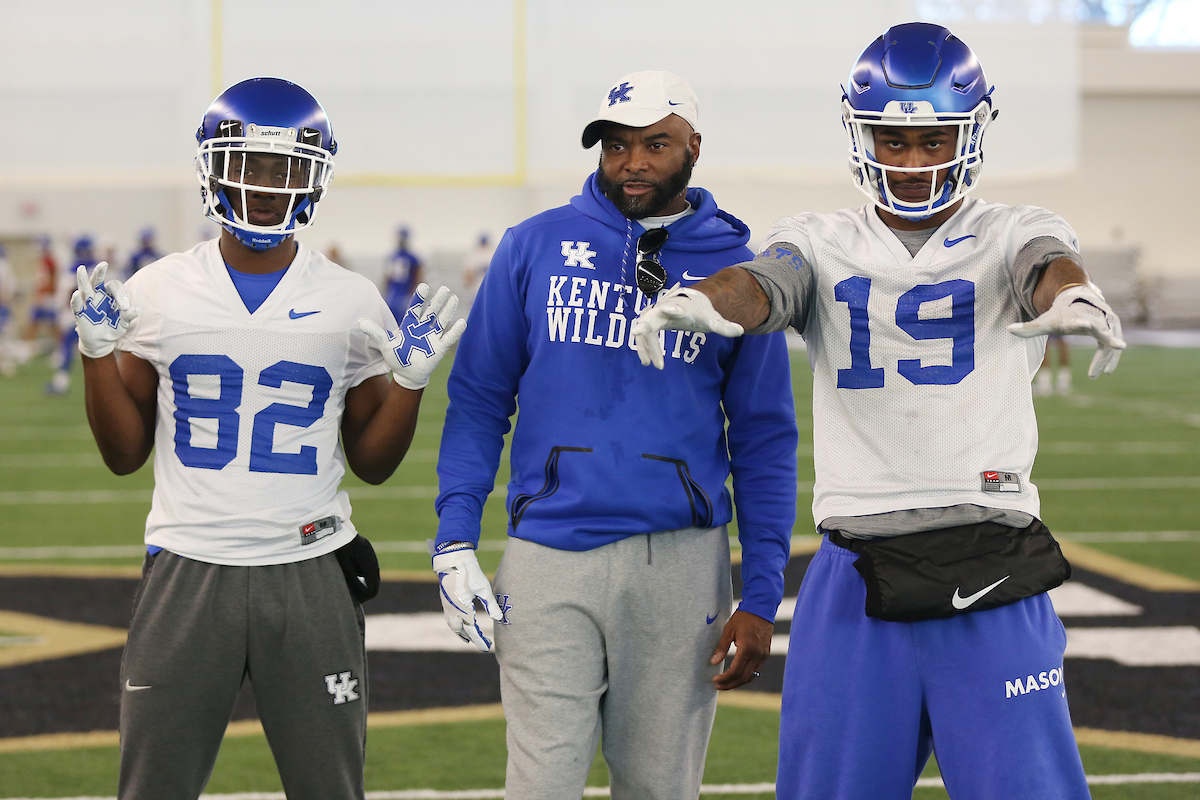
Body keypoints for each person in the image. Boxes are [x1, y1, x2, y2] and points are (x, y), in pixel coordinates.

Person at [632, 24, 1125, 800]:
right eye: (893, 141)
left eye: (934, 141)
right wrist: (702, 299)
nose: (914, 162)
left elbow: (1046, 268)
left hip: (992, 564)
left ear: (971, 134)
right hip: (855, 568)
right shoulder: (822, 240)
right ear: (862, 137)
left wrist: (1076, 296)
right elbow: (767, 282)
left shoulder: (1012, 229)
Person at [71, 76, 464, 800]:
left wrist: (408, 384)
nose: (263, 186)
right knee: (152, 787)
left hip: (309, 568)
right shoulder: (158, 290)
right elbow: (123, 456)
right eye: (249, 164)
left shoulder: (349, 299)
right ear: (213, 168)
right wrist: (95, 357)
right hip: (188, 565)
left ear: (313, 179)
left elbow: (373, 465)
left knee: (329, 787)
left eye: (284, 168)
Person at [432, 70, 798, 800]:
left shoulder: (741, 270)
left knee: (660, 788)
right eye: (617, 145)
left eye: (656, 144)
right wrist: (453, 539)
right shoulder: (532, 246)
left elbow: (764, 439)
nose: (633, 162)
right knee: (540, 785)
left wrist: (760, 594)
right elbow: (477, 399)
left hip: (680, 563)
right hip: (546, 557)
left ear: (695, 146)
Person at [47, 235, 97, 394]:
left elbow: (70, 293)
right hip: (98, 315)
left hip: (80, 313)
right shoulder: (97, 266)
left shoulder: (74, 268)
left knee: (69, 346)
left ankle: (61, 383)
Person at [382, 226, 423, 322]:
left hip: (397, 295)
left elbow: (387, 278)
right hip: (400, 296)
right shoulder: (409, 257)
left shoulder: (394, 257)